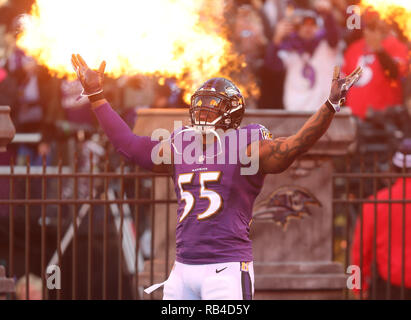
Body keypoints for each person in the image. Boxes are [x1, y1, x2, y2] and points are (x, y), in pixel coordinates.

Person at [71, 53, 361, 300]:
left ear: (231, 114)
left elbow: (294, 145)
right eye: (200, 105)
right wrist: (97, 96)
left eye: (211, 108)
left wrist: (330, 106)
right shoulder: (181, 143)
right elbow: (130, 146)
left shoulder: (246, 145)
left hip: (225, 268)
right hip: (182, 269)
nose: (202, 113)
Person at [351, 138, 411, 299]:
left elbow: (359, 252)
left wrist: (357, 288)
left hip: (389, 287)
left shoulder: (375, 203)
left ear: (395, 168)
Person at [264, 0, 341, 111]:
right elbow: (272, 65)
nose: (308, 28)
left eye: (312, 24)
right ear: (297, 29)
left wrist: (328, 14)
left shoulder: (326, 47)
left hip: (323, 113)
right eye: (304, 24)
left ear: (318, 28)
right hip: (295, 112)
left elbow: (333, 37)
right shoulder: (290, 50)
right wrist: (276, 39)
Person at [342, 10, 409, 119]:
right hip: (355, 116)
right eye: (369, 25)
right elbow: (345, 82)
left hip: (384, 118)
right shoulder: (354, 48)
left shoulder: (397, 46)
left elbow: (395, 73)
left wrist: (379, 49)